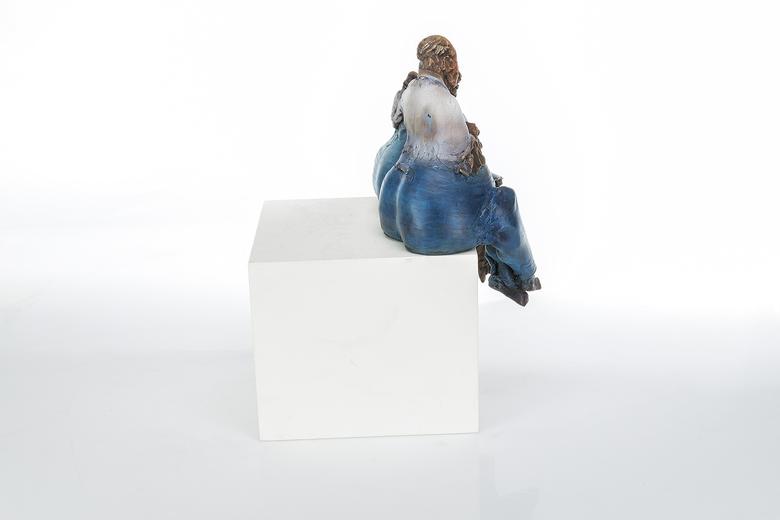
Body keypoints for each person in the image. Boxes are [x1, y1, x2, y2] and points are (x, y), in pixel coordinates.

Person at [373, 35, 541, 305]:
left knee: (486, 199)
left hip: (395, 205)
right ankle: (525, 275)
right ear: (446, 62)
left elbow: (399, 144)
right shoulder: (443, 99)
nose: (457, 72)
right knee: (503, 203)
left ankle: (503, 274)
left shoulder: (409, 90)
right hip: (429, 219)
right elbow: (466, 162)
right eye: (454, 62)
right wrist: (488, 179)